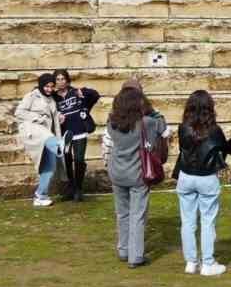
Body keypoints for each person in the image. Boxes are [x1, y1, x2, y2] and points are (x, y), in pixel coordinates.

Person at [102, 82, 166, 268]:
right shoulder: (147, 123)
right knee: (137, 215)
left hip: (117, 172)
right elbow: (162, 125)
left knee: (122, 213)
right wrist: (150, 108)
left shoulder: (111, 122)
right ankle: (136, 256)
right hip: (137, 173)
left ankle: (123, 250)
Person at [173, 89, 228, 277]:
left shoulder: (183, 127)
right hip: (206, 177)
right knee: (207, 221)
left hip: (186, 176)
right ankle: (207, 263)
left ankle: (191, 262)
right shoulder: (214, 130)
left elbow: (184, 148)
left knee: (187, 221)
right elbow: (224, 148)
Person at [51, 69, 100, 202]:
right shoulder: (53, 97)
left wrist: (83, 92)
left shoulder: (76, 92)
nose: (61, 82)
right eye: (58, 79)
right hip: (64, 134)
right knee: (66, 161)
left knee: (79, 160)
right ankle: (71, 187)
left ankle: (79, 188)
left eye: (63, 79)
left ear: (67, 80)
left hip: (79, 132)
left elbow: (95, 95)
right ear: (54, 82)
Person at [14, 72, 61, 208]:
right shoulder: (32, 96)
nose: (49, 89)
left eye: (52, 86)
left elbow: (55, 123)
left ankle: (40, 196)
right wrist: (38, 118)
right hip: (33, 130)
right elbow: (19, 112)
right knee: (50, 140)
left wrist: (59, 119)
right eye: (46, 86)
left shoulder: (52, 100)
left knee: (50, 166)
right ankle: (60, 145)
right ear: (41, 85)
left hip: (47, 134)